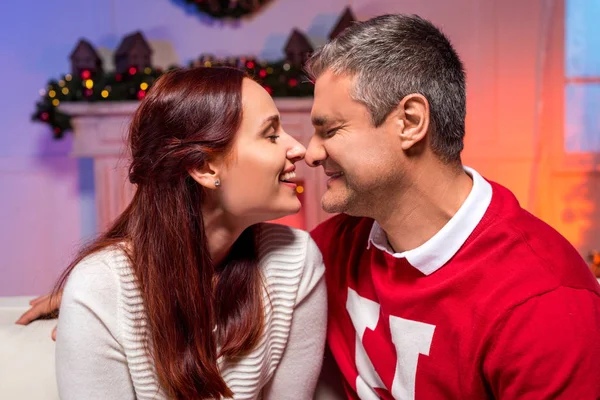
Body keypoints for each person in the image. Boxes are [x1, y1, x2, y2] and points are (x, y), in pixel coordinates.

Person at [305, 13, 600, 400]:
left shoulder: (544, 302)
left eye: (330, 130)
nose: (310, 153)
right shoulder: (332, 248)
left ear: (410, 121)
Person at [18, 66, 327, 400]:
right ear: (205, 168)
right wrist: (96, 298)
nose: (300, 149)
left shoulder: (296, 260)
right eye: (271, 134)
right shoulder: (100, 286)